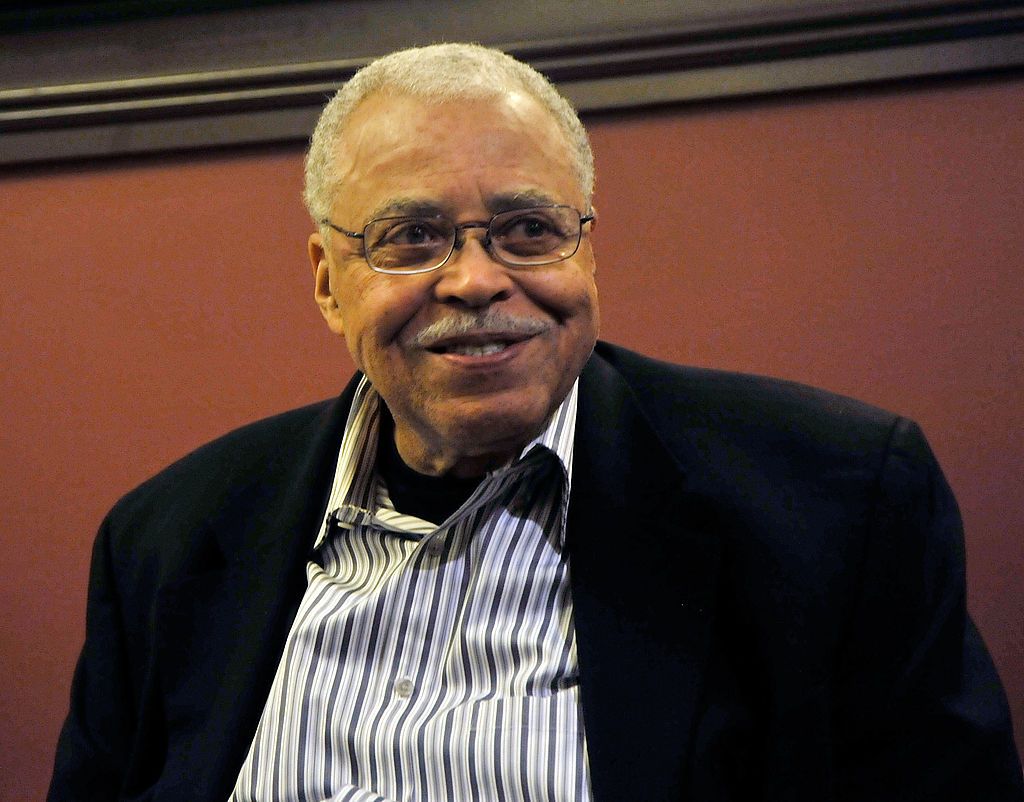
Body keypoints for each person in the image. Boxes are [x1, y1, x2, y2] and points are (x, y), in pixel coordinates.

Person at [48, 43, 1022, 802]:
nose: (475, 280)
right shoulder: (167, 542)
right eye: (410, 237)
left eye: (528, 230)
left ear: (587, 254)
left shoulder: (833, 505)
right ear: (325, 282)